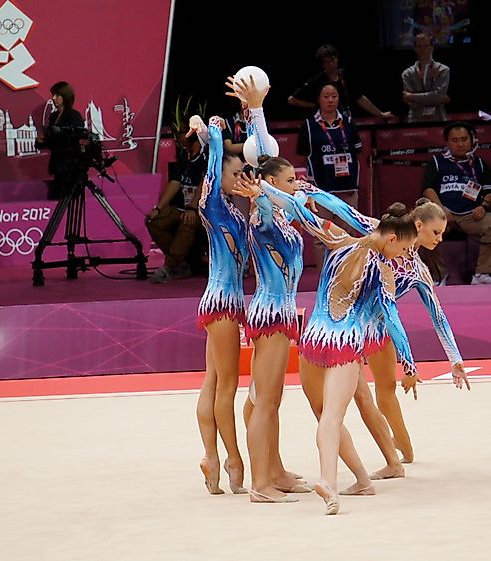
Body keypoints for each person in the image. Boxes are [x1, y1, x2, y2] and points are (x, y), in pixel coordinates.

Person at [253, 181, 420, 515]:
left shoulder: (338, 239)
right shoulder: (381, 270)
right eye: (404, 250)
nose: (403, 258)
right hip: (343, 344)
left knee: (324, 415)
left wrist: (260, 189)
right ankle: (332, 482)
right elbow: (391, 318)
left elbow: (302, 211)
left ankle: (353, 480)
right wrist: (409, 362)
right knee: (330, 416)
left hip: (313, 339)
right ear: (391, 239)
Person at [300, 189, 472, 464]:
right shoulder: (380, 229)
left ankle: (403, 449)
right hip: (349, 325)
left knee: (384, 391)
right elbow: (343, 210)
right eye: (436, 232)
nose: (439, 240)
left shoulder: (418, 271)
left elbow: (437, 316)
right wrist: (310, 191)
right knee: (358, 398)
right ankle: (389, 457)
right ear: (418, 226)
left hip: (379, 329)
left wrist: (455, 359)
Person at [226, 76, 309, 503]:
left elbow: (267, 160)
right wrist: (255, 110)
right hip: (271, 314)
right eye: (291, 180)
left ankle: (273, 469)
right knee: (266, 401)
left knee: (267, 399)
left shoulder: (281, 214)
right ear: (271, 184)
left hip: (278, 312)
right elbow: (265, 159)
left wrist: (255, 109)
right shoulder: (263, 211)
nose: (297, 186)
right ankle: (260, 484)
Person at [192, 115, 248, 496]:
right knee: (227, 385)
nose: (244, 176)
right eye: (238, 172)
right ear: (222, 178)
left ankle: (210, 457)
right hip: (224, 303)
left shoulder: (234, 211)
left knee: (212, 382)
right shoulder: (213, 204)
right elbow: (212, 174)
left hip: (221, 300)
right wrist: (214, 137)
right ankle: (232, 458)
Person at [420, 121, 491, 285]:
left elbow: (489, 191)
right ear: (447, 142)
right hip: (443, 214)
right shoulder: (437, 162)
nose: (460, 144)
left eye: (464, 139)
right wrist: (440, 210)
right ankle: (439, 276)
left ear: (472, 140)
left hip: (471, 215)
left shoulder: (480, 164)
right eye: (455, 140)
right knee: (423, 227)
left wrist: (484, 206)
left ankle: (482, 274)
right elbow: (428, 189)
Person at [297, 83, 363, 266]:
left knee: (348, 235)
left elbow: (357, 151)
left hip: (347, 188)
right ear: (318, 99)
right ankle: (324, 278)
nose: (330, 100)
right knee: (322, 237)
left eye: (334, 96)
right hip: (321, 190)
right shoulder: (309, 126)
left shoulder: (348, 122)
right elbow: (304, 157)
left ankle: (349, 276)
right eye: (326, 96)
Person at [145, 124, 207, 282]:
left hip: (202, 210)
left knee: (188, 221)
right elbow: (175, 181)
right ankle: (182, 262)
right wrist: (158, 208)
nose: (176, 137)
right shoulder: (183, 154)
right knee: (154, 221)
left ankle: (171, 266)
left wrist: (193, 208)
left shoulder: (207, 156)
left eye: (179, 133)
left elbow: (204, 183)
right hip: (180, 207)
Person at [288, 44, 393, 120]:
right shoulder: (318, 80)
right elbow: (292, 100)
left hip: (347, 120)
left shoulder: (345, 74)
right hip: (326, 123)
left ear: (337, 58)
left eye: (333, 60)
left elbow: (360, 98)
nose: (331, 64)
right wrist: (316, 106)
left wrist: (380, 114)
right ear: (322, 65)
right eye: (327, 62)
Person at [35, 81, 85, 200]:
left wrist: (60, 139)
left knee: (66, 199)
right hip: (58, 166)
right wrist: (41, 141)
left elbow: (79, 138)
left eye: (58, 95)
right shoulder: (53, 116)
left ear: (65, 96)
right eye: (53, 95)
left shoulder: (74, 115)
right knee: (54, 198)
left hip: (70, 167)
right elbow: (51, 142)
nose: (54, 98)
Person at [401, 33, 451, 122]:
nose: (422, 49)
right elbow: (412, 103)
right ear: (415, 49)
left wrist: (412, 96)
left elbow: (438, 96)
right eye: (419, 46)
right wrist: (438, 99)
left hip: (438, 119)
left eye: (426, 46)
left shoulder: (443, 70)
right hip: (415, 120)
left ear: (432, 48)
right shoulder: (407, 73)